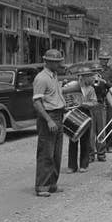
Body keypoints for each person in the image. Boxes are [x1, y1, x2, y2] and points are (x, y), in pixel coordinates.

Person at [32, 49, 67, 197]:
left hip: (58, 115)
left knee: (56, 154)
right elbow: (37, 102)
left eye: (59, 61)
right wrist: (48, 120)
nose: (59, 64)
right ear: (48, 62)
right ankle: (42, 185)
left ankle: (52, 183)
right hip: (49, 117)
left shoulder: (54, 76)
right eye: (57, 62)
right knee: (46, 152)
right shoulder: (42, 78)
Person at [62, 66, 99, 173]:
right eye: (89, 76)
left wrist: (83, 103)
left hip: (85, 113)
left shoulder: (91, 89)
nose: (92, 78)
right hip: (73, 113)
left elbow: (95, 102)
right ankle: (72, 166)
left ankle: (84, 165)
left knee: (85, 141)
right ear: (82, 77)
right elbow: (63, 94)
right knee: (73, 140)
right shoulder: (72, 85)